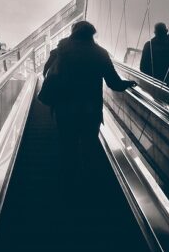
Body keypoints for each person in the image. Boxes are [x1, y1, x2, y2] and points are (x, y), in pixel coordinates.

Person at [41, 21, 137, 183]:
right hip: (90, 110)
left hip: (64, 108)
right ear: (92, 34)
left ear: (73, 32)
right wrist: (128, 83)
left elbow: (46, 73)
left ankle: (67, 180)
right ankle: (88, 181)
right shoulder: (100, 53)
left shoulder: (60, 50)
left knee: (67, 144)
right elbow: (113, 83)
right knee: (89, 144)